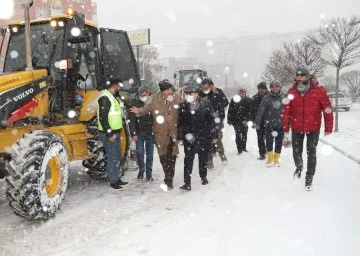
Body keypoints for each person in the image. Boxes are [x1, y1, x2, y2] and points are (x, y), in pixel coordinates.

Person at [282, 64, 333, 190]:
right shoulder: (292, 91)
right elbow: (286, 110)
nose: (299, 78)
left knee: (311, 153)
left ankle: (309, 178)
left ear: (308, 76)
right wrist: (285, 128)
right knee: (296, 151)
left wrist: (328, 127)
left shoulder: (319, 90)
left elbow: (327, 109)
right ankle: (299, 166)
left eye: (302, 76)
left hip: (313, 127)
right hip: (296, 126)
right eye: (297, 75)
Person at [130, 79, 182, 190]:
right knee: (163, 157)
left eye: (169, 89)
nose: (168, 92)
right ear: (162, 90)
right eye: (166, 90)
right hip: (159, 134)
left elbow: (183, 113)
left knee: (172, 157)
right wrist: (139, 111)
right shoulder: (153, 98)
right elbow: (146, 109)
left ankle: (169, 179)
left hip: (172, 133)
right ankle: (167, 173)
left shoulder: (177, 98)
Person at [177, 84, 217, 191]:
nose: (189, 95)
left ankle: (203, 176)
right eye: (187, 94)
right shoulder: (183, 106)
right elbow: (180, 123)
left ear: (196, 94)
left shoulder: (206, 104)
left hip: (203, 136)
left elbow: (212, 121)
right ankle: (187, 183)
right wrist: (180, 137)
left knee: (203, 158)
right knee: (188, 159)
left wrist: (214, 135)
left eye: (191, 93)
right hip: (189, 136)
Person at [97, 77, 128, 190]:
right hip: (109, 134)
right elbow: (103, 118)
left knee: (117, 156)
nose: (119, 87)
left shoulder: (113, 97)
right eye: (118, 85)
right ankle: (113, 180)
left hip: (116, 132)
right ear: (114, 85)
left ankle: (117, 177)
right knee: (112, 157)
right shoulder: (105, 97)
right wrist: (109, 134)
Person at [199, 78, 229, 168]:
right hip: (205, 121)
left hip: (217, 120)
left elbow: (225, 102)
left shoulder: (218, 92)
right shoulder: (200, 94)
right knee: (207, 141)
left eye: (207, 86)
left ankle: (222, 156)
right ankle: (209, 160)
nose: (205, 89)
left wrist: (216, 93)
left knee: (217, 139)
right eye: (203, 87)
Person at [255, 80, 285, 167]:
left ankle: (276, 159)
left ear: (279, 87)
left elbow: (289, 111)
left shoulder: (284, 97)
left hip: (281, 125)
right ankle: (270, 159)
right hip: (269, 125)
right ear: (270, 88)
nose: (274, 88)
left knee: (279, 142)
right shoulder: (266, 98)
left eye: (276, 86)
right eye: (272, 87)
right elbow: (260, 111)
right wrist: (257, 123)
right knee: (269, 142)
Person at [128, 85, 154, 182]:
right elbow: (132, 119)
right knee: (139, 153)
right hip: (139, 133)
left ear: (148, 93)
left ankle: (149, 174)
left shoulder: (152, 102)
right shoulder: (134, 103)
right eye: (141, 93)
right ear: (138, 94)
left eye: (145, 93)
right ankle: (141, 170)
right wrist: (133, 133)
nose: (143, 95)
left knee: (150, 155)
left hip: (150, 133)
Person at [227, 88, 252, 154]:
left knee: (244, 135)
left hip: (245, 121)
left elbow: (250, 111)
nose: (241, 94)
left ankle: (244, 148)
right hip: (236, 121)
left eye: (243, 93)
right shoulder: (234, 99)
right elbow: (230, 110)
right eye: (240, 93)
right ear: (238, 93)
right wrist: (229, 120)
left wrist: (246, 119)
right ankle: (239, 150)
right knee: (238, 135)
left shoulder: (249, 100)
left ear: (245, 94)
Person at [251, 81, 268, 160]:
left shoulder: (269, 97)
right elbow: (251, 111)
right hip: (258, 122)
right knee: (260, 138)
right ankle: (262, 153)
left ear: (266, 89)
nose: (261, 90)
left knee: (269, 138)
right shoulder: (254, 98)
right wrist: (252, 121)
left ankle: (269, 150)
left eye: (263, 89)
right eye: (259, 89)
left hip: (269, 122)